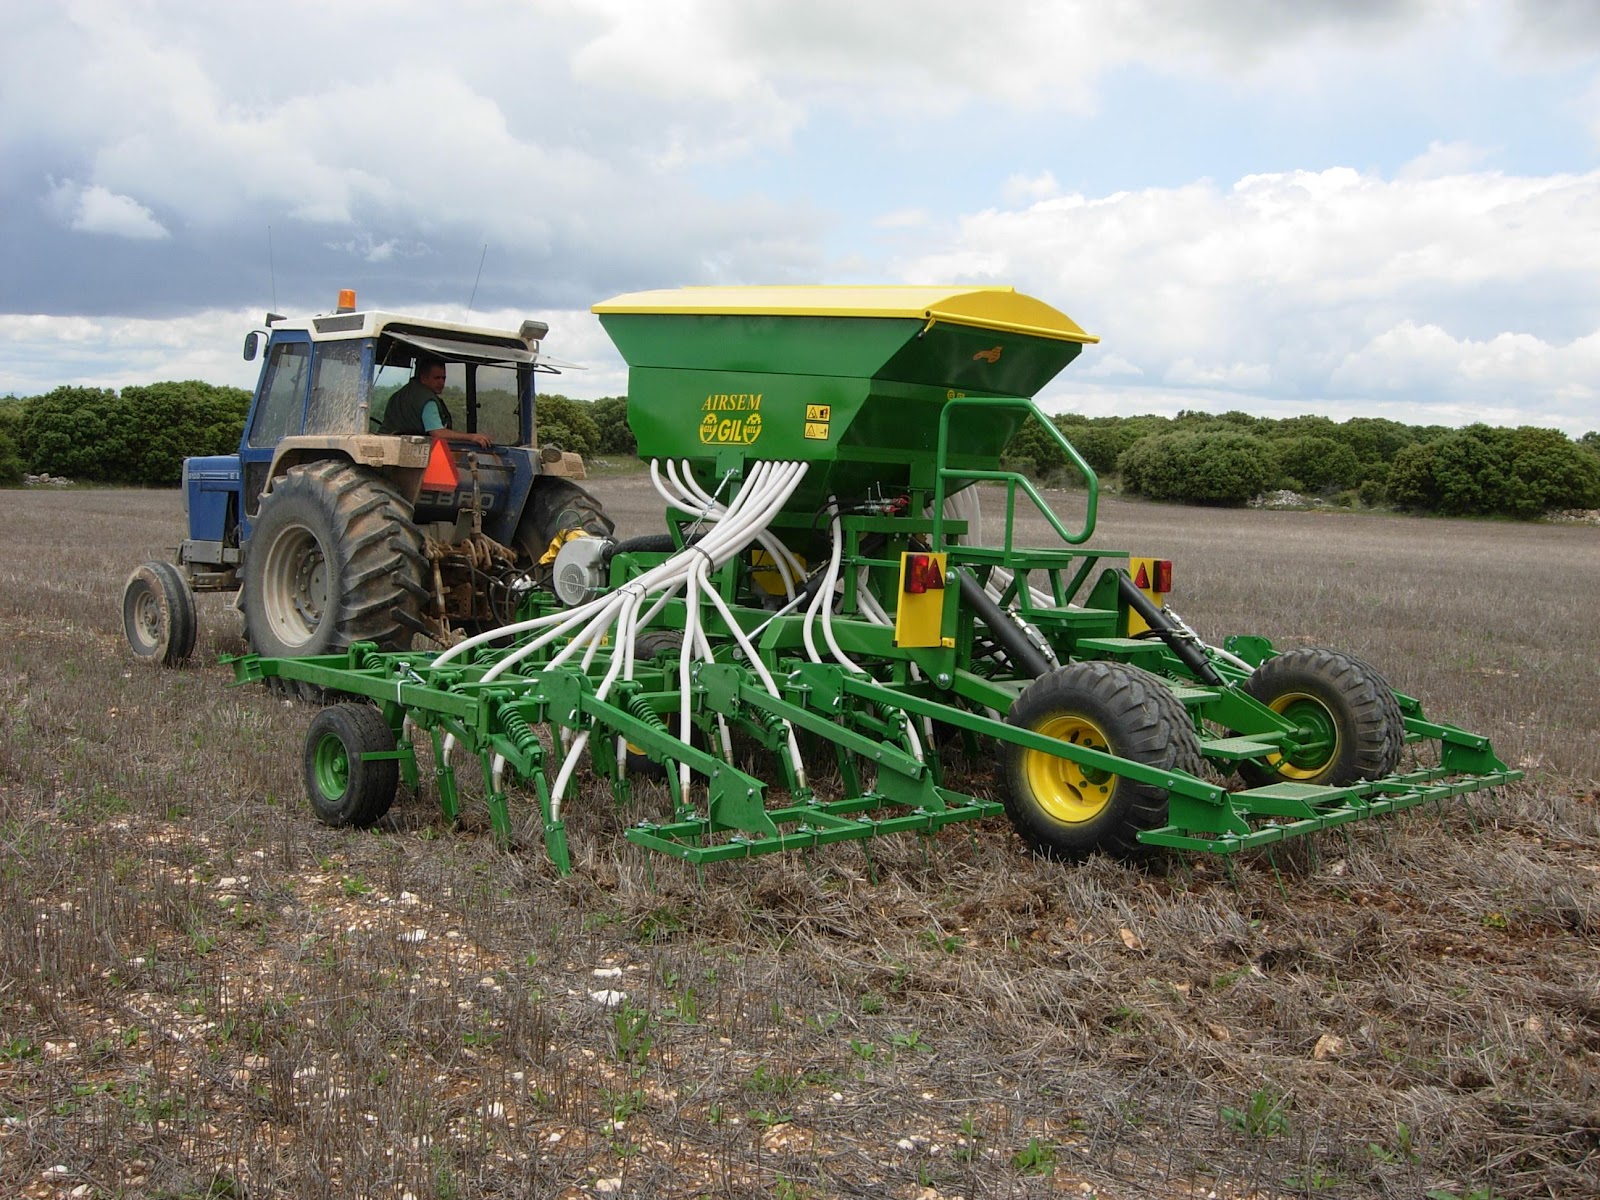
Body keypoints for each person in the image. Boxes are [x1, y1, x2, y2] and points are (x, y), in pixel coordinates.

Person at [377, 356, 492, 449]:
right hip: (405, 453)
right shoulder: (428, 400)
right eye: (437, 378)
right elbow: (438, 433)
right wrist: (472, 437)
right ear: (423, 378)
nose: (441, 382)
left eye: (444, 378)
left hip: (385, 447)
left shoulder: (399, 395)